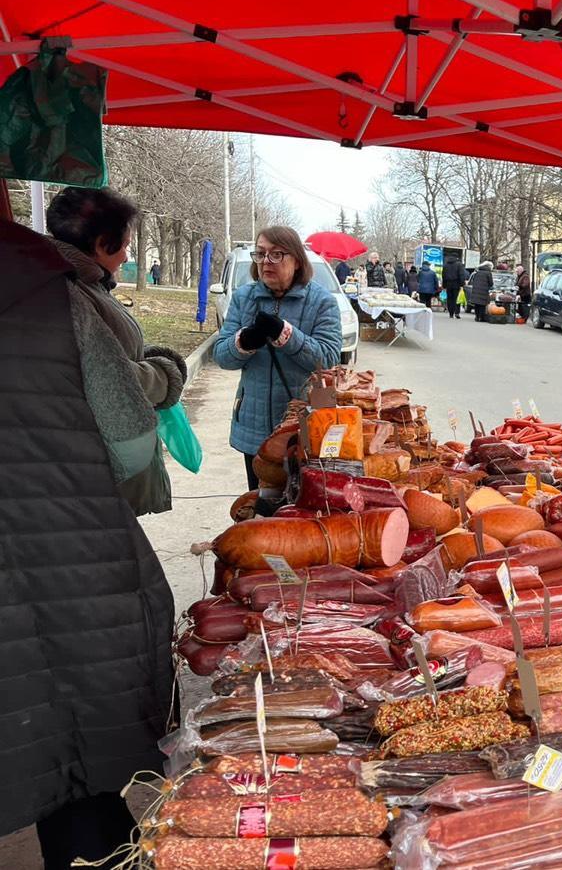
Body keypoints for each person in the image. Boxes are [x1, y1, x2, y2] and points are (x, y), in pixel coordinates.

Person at [0, 207, 175, 867]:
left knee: (28, 722)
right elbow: (129, 441)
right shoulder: (59, 301)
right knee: (77, 731)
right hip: (71, 551)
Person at [48, 186, 185, 516]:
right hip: (96, 466)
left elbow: (113, 350)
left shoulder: (88, 281)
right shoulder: (68, 290)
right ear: (99, 244)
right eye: (123, 245)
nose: (126, 255)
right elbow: (103, 372)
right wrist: (165, 374)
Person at [214, 226, 342, 490]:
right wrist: (244, 342)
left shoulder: (322, 302)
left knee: (302, 510)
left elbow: (328, 357)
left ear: (296, 260)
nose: (265, 262)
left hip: (303, 427)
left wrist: (285, 334)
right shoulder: (243, 298)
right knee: (261, 501)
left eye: (276, 255)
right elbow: (222, 356)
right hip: (254, 424)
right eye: (260, 255)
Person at [442, 253, 466, 319]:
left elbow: (443, 276)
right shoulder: (459, 264)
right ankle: (457, 312)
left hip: (448, 284)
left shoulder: (445, 265)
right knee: (456, 298)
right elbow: (461, 275)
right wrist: (462, 284)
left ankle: (451, 313)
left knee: (450, 299)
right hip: (456, 283)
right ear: (457, 257)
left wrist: (444, 285)